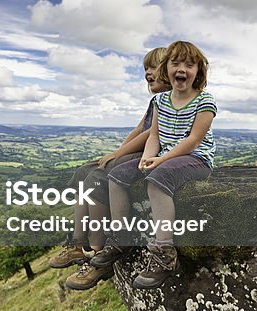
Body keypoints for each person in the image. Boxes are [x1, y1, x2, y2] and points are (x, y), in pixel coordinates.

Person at [95, 40, 216, 290]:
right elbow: (154, 136)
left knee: (157, 180)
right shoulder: (161, 100)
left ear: (198, 72)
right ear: (167, 69)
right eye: (176, 63)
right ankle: (121, 237)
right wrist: (146, 158)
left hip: (195, 158)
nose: (182, 68)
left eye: (189, 65)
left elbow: (193, 141)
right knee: (117, 176)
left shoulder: (205, 101)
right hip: (163, 156)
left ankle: (165, 253)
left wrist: (160, 161)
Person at [51, 47, 172, 290]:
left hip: (156, 153)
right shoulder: (155, 101)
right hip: (139, 149)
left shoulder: (171, 100)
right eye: (145, 69)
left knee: (96, 178)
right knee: (83, 173)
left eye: (153, 67)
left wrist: (118, 155)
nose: (148, 73)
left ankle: (98, 252)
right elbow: (139, 130)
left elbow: (151, 135)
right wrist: (117, 152)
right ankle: (77, 244)